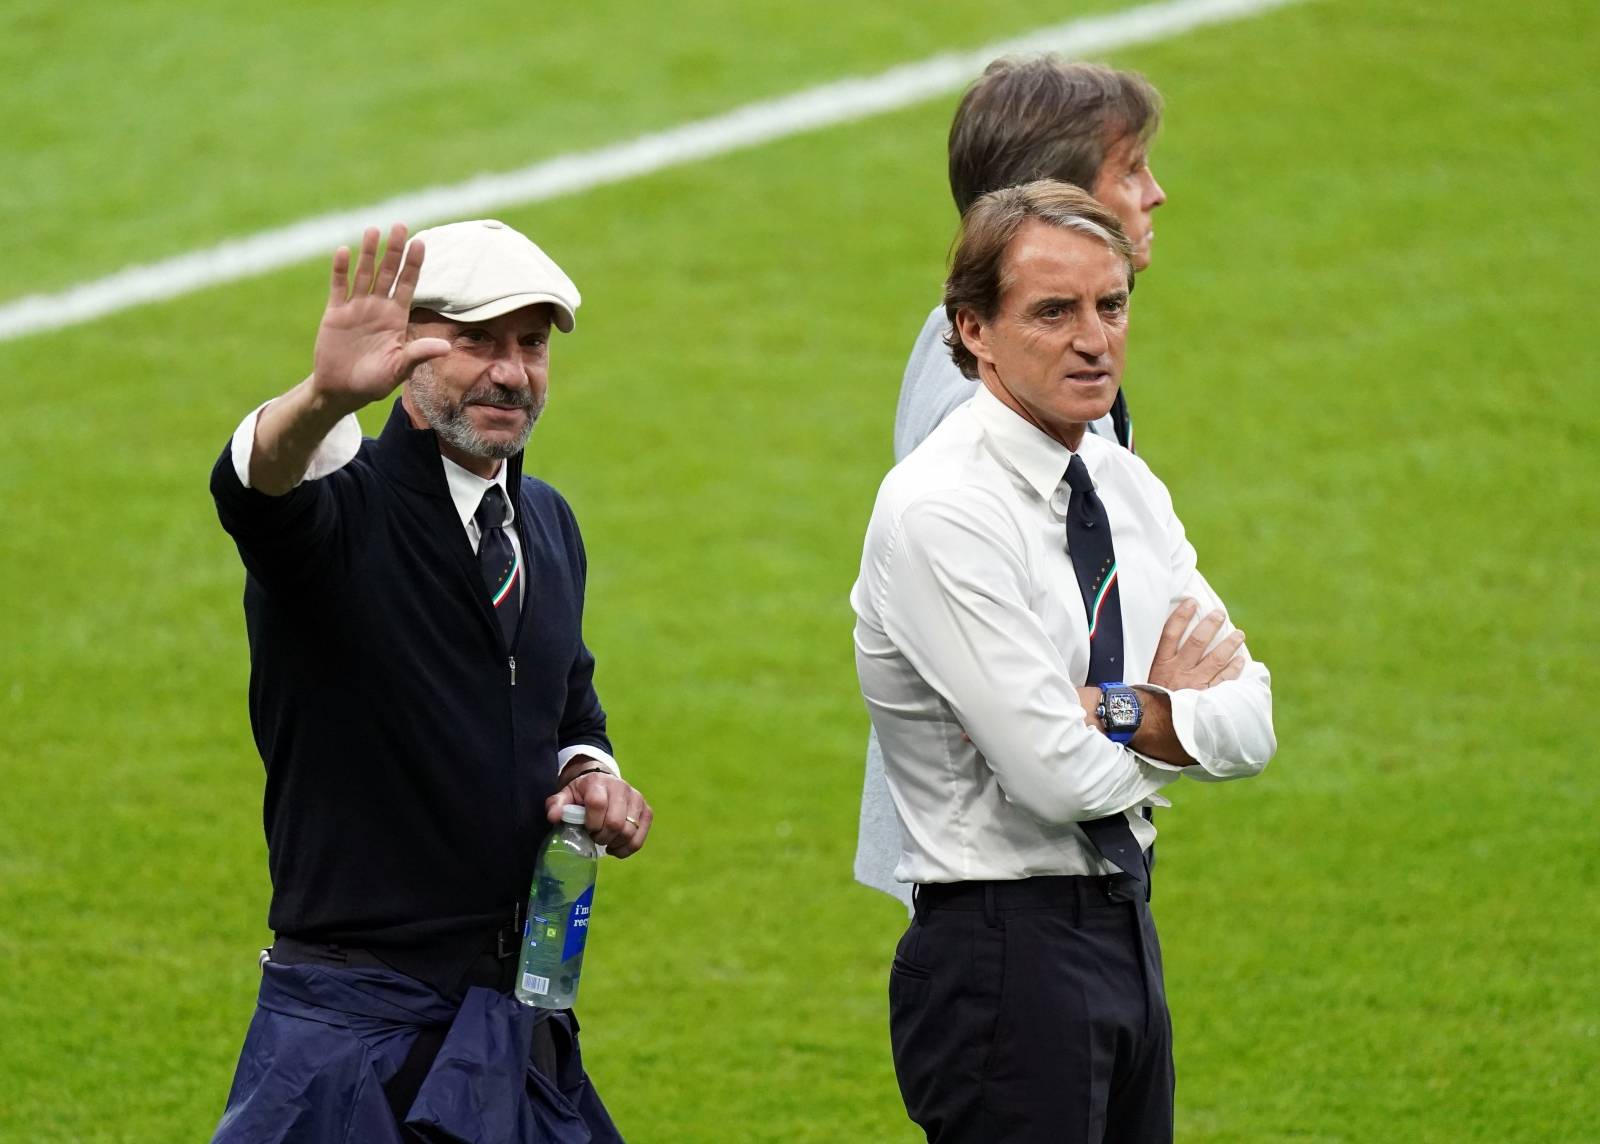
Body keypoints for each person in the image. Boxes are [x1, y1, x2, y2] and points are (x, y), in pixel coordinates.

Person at [208, 218, 651, 1143]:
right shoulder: (338, 514)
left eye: (530, 345)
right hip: (351, 1024)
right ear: (406, 351)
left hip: (508, 1018)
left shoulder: (544, 521)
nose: (510, 372)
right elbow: (252, 486)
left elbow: (569, 701)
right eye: (477, 341)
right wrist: (326, 399)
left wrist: (589, 777)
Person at [850, 181, 1276, 1141]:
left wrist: (1118, 708)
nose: (1096, 339)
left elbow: (1254, 721)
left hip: (1125, 927)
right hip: (1001, 955)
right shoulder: (942, 510)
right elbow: (1053, 776)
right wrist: (1173, 712)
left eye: (1111, 305)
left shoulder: (1122, 480)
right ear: (975, 332)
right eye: (1054, 311)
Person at [859, 57, 1170, 907]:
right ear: (1058, 199)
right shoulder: (987, 395)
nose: (1156, 194)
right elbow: (1002, 691)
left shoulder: (1007, 353)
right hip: (1007, 870)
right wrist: (1158, 713)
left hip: (1052, 864)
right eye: (1131, 170)